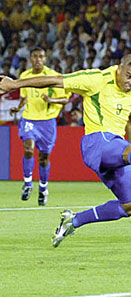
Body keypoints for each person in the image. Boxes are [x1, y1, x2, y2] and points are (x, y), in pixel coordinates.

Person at [0, 54, 131, 247]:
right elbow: (54, 81)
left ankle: (73, 221)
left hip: (119, 150)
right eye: (129, 76)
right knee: (119, 147)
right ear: (119, 68)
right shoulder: (95, 79)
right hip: (96, 144)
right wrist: (15, 84)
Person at [8, 47, 70, 206]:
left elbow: (65, 100)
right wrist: (18, 107)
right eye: (35, 56)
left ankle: (43, 188)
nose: (38, 59)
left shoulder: (52, 76)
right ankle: (27, 184)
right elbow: (25, 96)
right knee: (28, 149)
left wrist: (52, 100)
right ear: (30, 58)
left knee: (43, 158)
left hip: (47, 122)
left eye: (41, 56)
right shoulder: (25, 76)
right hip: (29, 119)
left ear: (45, 58)